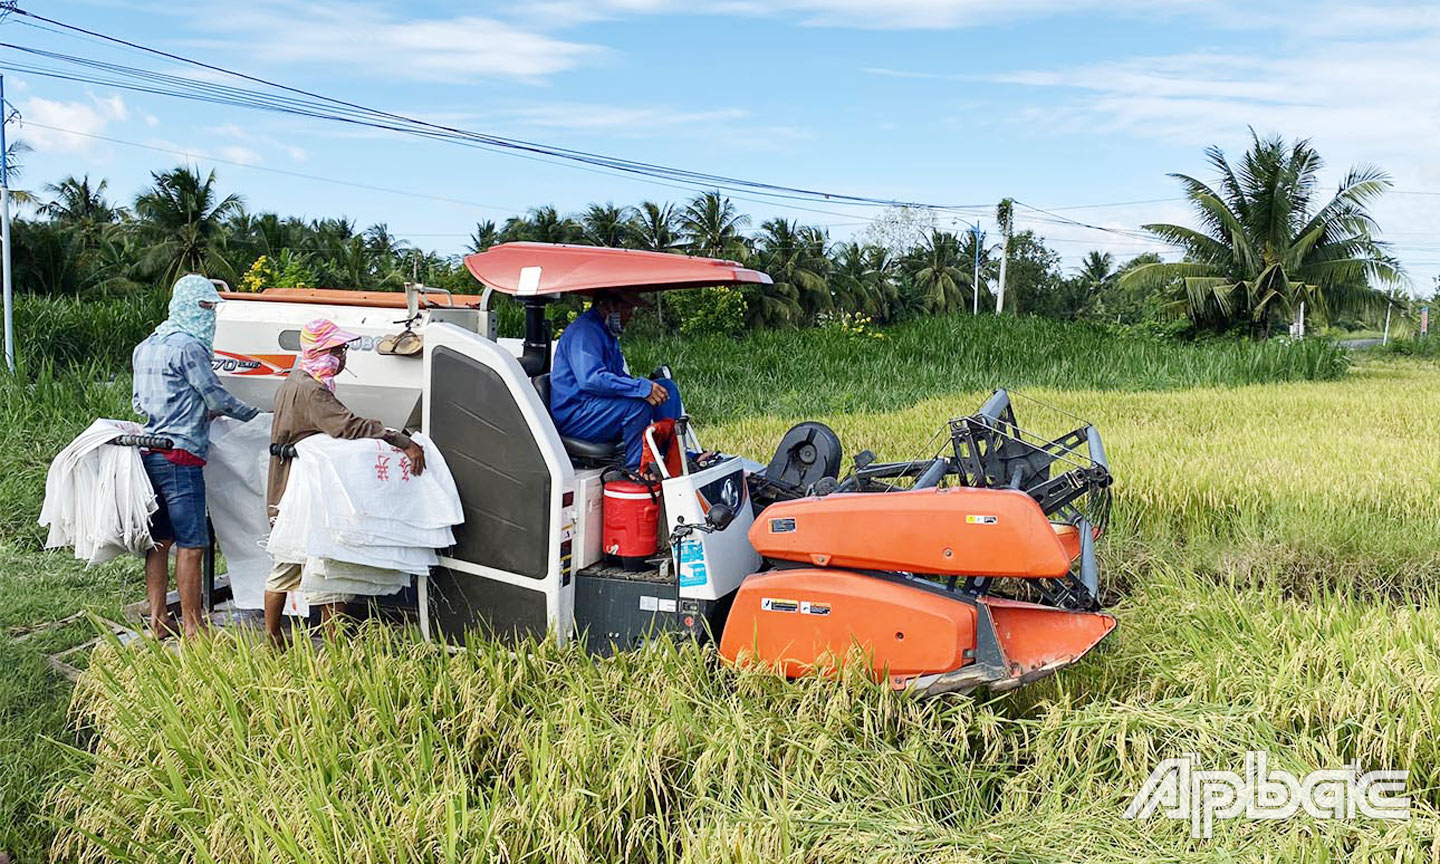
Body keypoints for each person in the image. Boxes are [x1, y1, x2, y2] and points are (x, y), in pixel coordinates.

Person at [263, 317, 425, 645]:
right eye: (339, 349)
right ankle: (286, 638)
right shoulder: (312, 391)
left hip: (293, 485)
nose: (344, 356)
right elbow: (346, 426)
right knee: (314, 563)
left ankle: (282, 637)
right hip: (303, 492)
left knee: (307, 565)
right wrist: (401, 441)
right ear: (323, 351)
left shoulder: (295, 380)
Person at [132, 274, 260, 638]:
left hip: (148, 452)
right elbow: (216, 397)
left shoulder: (146, 345)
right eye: (206, 308)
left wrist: (190, 409)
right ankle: (193, 625)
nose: (210, 317)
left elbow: (141, 402)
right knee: (193, 543)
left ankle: (158, 620)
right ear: (190, 307)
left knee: (159, 541)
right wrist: (260, 418)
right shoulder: (189, 347)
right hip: (181, 455)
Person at [549, 291, 683, 468]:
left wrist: (648, 388)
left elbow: (617, 378)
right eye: (627, 308)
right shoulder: (584, 331)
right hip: (577, 415)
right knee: (638, 406)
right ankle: (637, 470)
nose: (632, 315)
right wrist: (640, 389)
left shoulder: (607, 334)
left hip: (597, 408)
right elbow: (591, 379)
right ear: (607, 306)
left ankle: (673, 457)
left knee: (667, 388)